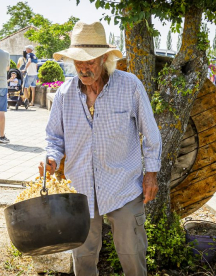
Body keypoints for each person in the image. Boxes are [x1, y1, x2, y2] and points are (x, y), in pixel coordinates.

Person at [39, 21, 162, 276]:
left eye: (90, 62)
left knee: (132, 254)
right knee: (82, 257)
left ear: (104, 58)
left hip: (123, 186)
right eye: (78, 62)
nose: (83, 68)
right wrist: (51, 157)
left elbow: (150, 133)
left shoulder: (130, 86)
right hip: (81, 190)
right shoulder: (64, 94)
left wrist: (151, 173)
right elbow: (54, 137)